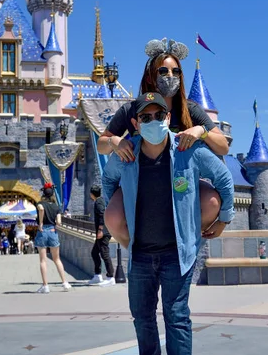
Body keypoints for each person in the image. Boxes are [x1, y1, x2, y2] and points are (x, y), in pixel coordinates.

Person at [103, 92, 235, 355]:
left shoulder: (187, 150)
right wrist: (118, 218)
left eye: (158, 116)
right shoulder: (127, 153)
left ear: (167, 119)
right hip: (141, 253)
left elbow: (224, 180)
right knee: (142, 316)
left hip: (178, 252)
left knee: (176, 317)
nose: (152, 122)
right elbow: (109, 183)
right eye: (144, 118)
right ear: (135, 123)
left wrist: (224, 219)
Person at [98, 38, 229, 250]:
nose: (170, 76)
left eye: (176, 72)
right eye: (164, 71)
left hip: (180, 184)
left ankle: (184, 244)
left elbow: (223, 146)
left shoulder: (190, 110)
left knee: (211, 201)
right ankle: (136, 253)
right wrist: (114, 142)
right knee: (112, 216)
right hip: (142, 184)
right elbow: (101, 144)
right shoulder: (133, 110)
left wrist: (201, 131)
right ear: (151, 75)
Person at [34, 183, 72, 293]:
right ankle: (65, 283)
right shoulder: (56, 207)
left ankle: (45, 286)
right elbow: (59, 222)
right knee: (57, 259)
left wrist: (41, 223)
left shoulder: (40, 203)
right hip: (52, 231)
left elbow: (41, 209)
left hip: (42, 232)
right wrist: (55, 224)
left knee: (43, 260)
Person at [89, 184, 115, 286]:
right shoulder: (100, 201)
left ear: (92, 194)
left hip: (103, 233)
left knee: (104, 254)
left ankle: (110, 276)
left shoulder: (99, 202)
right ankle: (97, 275)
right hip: (102, 232)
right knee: (94, 253)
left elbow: (102, 214)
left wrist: (100, 230)